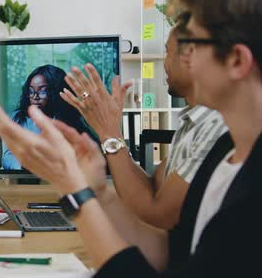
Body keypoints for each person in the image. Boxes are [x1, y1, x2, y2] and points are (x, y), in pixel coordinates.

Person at [0, 0, 262, 276]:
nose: (183, 59)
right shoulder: (225, 152)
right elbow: (170, 251)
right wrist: (98, 190)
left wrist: (75, 192)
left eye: (192, 45)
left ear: (237, 61)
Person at [59, 14, 227, 229]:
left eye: (168, 51)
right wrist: (110, 133)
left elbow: (157, 215)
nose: (165, 63)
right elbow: (152, 187)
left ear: (191, 58)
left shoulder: (214, 125)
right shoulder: (191, 122)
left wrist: (109, 133)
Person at [3, 64, 91, 169]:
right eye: (31, 91)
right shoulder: (17, 118)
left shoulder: (72, 122)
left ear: (57, 92)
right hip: (25, 181)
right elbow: (7, 157)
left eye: (42, 91)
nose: (35, 97)